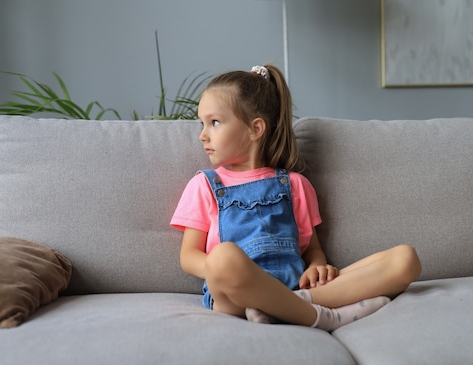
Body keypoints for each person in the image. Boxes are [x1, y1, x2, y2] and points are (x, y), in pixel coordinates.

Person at [170, 64, 421, 331]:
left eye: (215, 122)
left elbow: (312, 250)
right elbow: (189, 257)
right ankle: (319, 316)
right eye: (202, 123)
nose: (202, 134)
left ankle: (286, 306)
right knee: (224, 257)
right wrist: (223, 268)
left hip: (293, 285)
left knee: (406, 259)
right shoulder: (205, 185)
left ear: (255, 129)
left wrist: (317, 266)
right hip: (234, 296)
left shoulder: (294, 185)